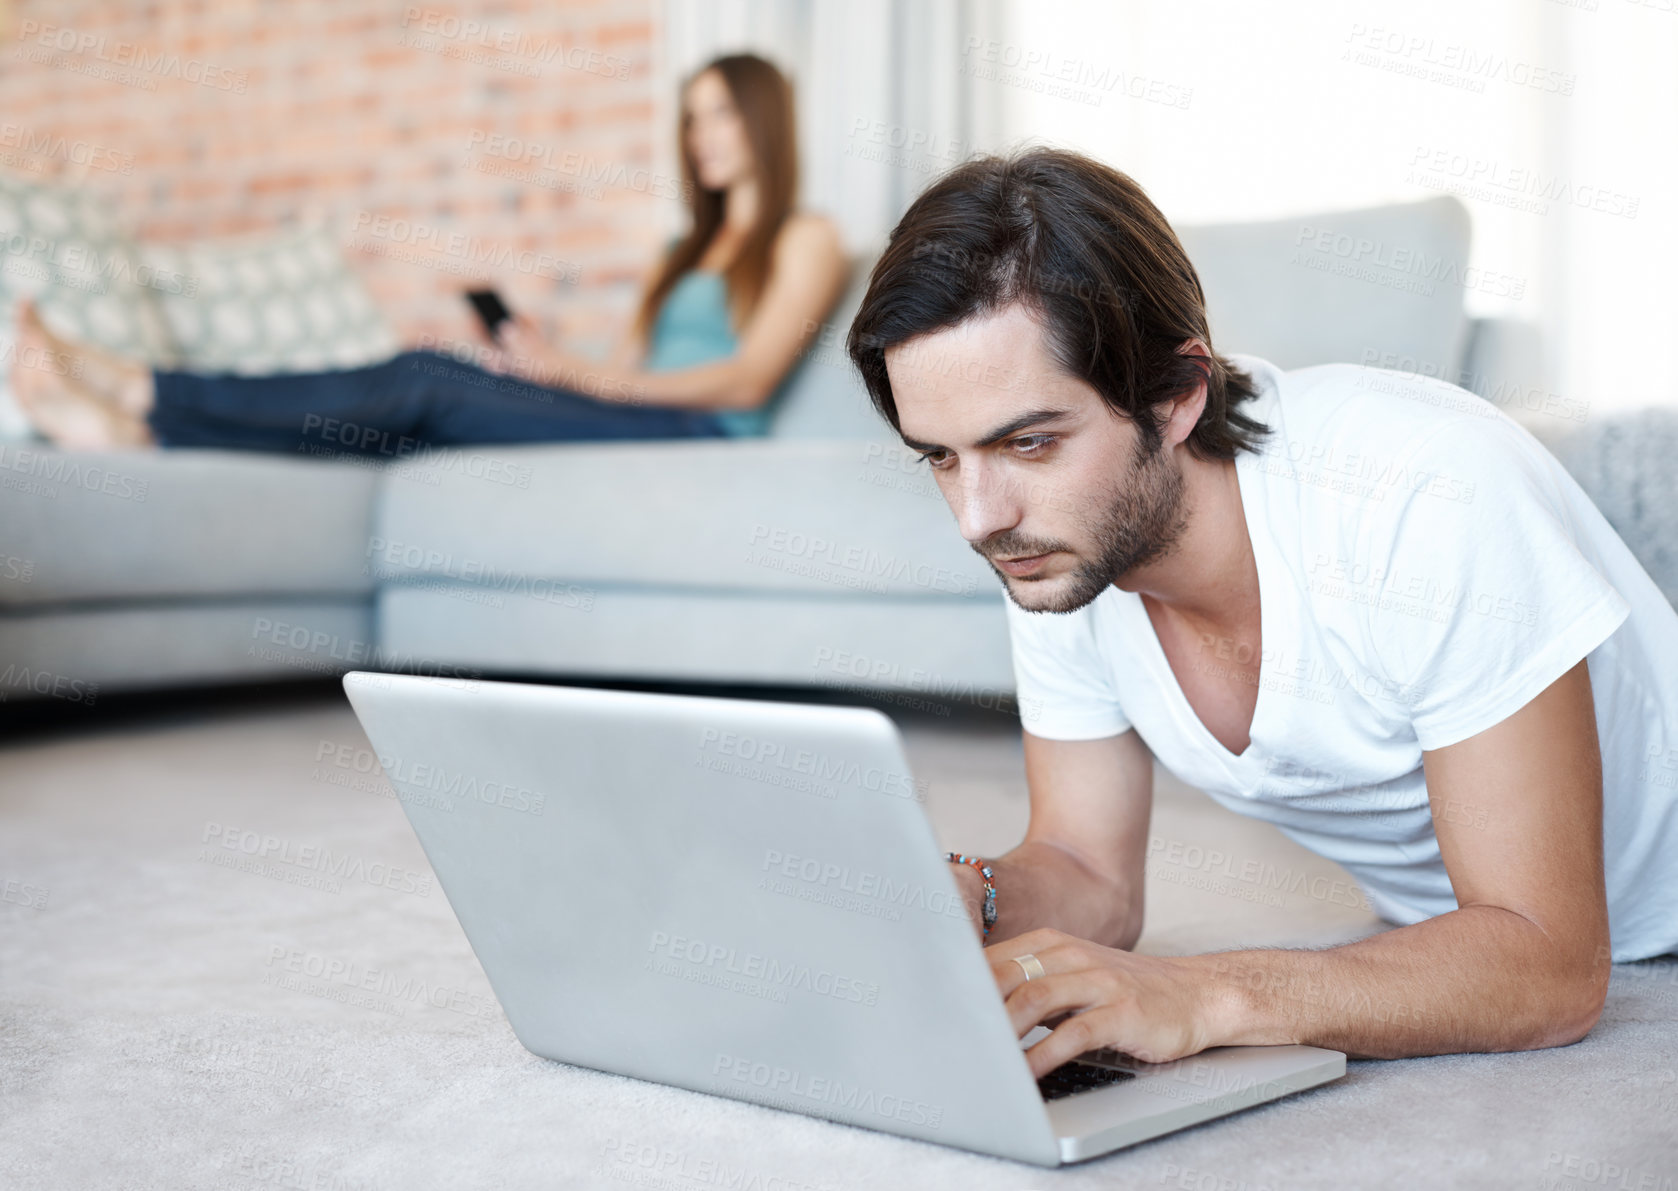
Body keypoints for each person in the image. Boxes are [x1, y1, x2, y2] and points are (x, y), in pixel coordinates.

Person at [846, 148, 1678, 1072]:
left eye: (1031, 442)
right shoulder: (1058, 543)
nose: (979, 519)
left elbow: (1549, 964)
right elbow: (1089, 871)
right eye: (942, 458)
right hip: (1446, 934)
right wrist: (972, 895)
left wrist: (1203, 991)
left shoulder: (1426, 492)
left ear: (1176, 394)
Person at [10, 53, 845, 454]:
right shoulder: (677, 252)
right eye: (693, 118)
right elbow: (620, 365)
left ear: (763, 122)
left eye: (723, 115)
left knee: (420, 378)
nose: (703, 137)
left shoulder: (805, 239)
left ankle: (141, 385)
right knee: (421, 407)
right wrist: (544, 365)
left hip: (701, 434)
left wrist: (582, 376)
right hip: (637, 415)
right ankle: (147, 433)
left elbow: (749, 379)